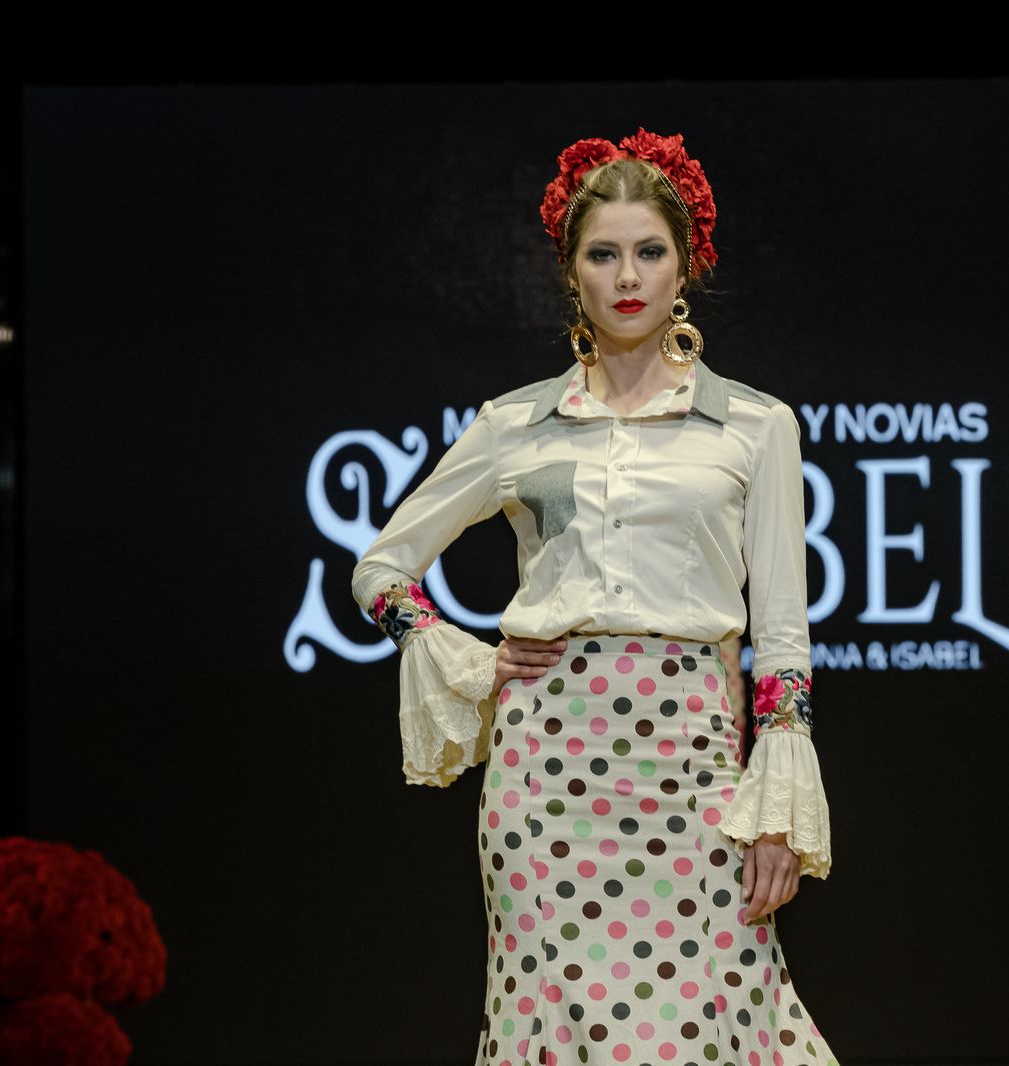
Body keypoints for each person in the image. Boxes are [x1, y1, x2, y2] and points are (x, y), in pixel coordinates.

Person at [353, 129, 838, 1065]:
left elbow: (781, 630)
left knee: (716, 1024)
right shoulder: (514, 425)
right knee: (556, 1032)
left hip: (693, 765)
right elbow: (381, 565)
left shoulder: (754, 423)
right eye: (603, 253)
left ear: (684, 263)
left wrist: (773, 807)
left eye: (649, 251)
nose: (628, 276)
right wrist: (458, 649)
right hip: (545, 773)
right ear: (569, 271)